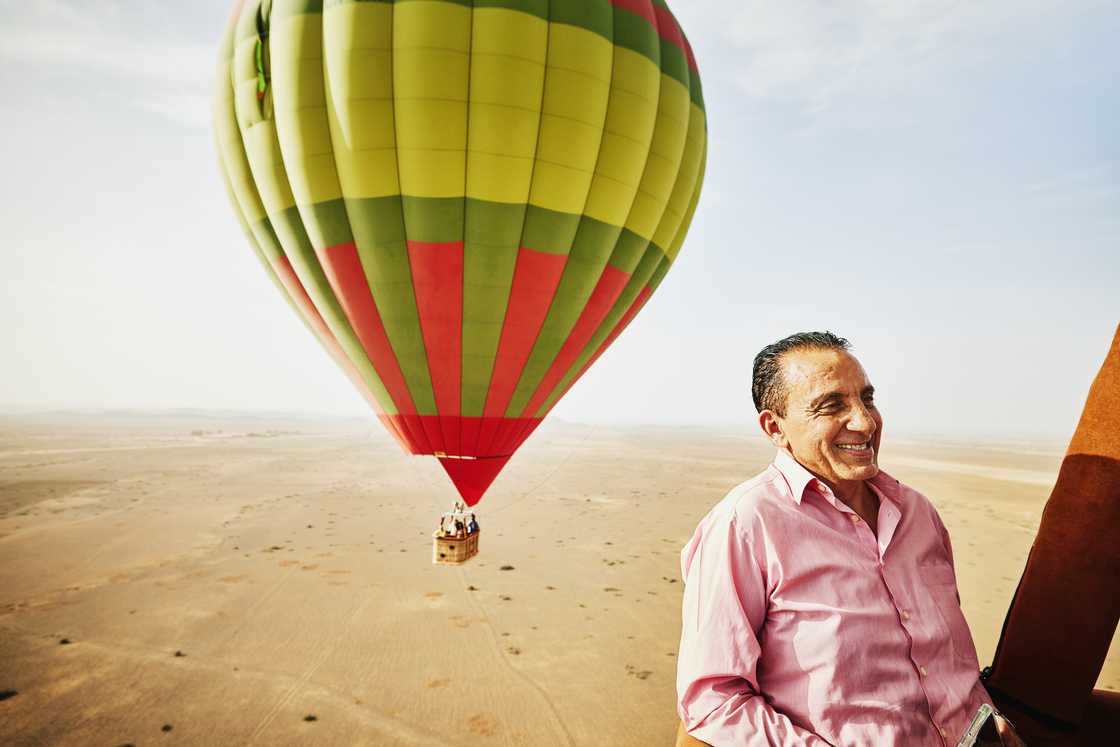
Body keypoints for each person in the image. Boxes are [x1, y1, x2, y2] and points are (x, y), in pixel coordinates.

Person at [676, 332, 1024, 746]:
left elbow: (949, 663)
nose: (865, 421)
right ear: (775, 427)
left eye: (868, 399)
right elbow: (712, 701)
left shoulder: (918, 513)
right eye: (832, 405)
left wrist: (995, 723)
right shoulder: (745, 524)